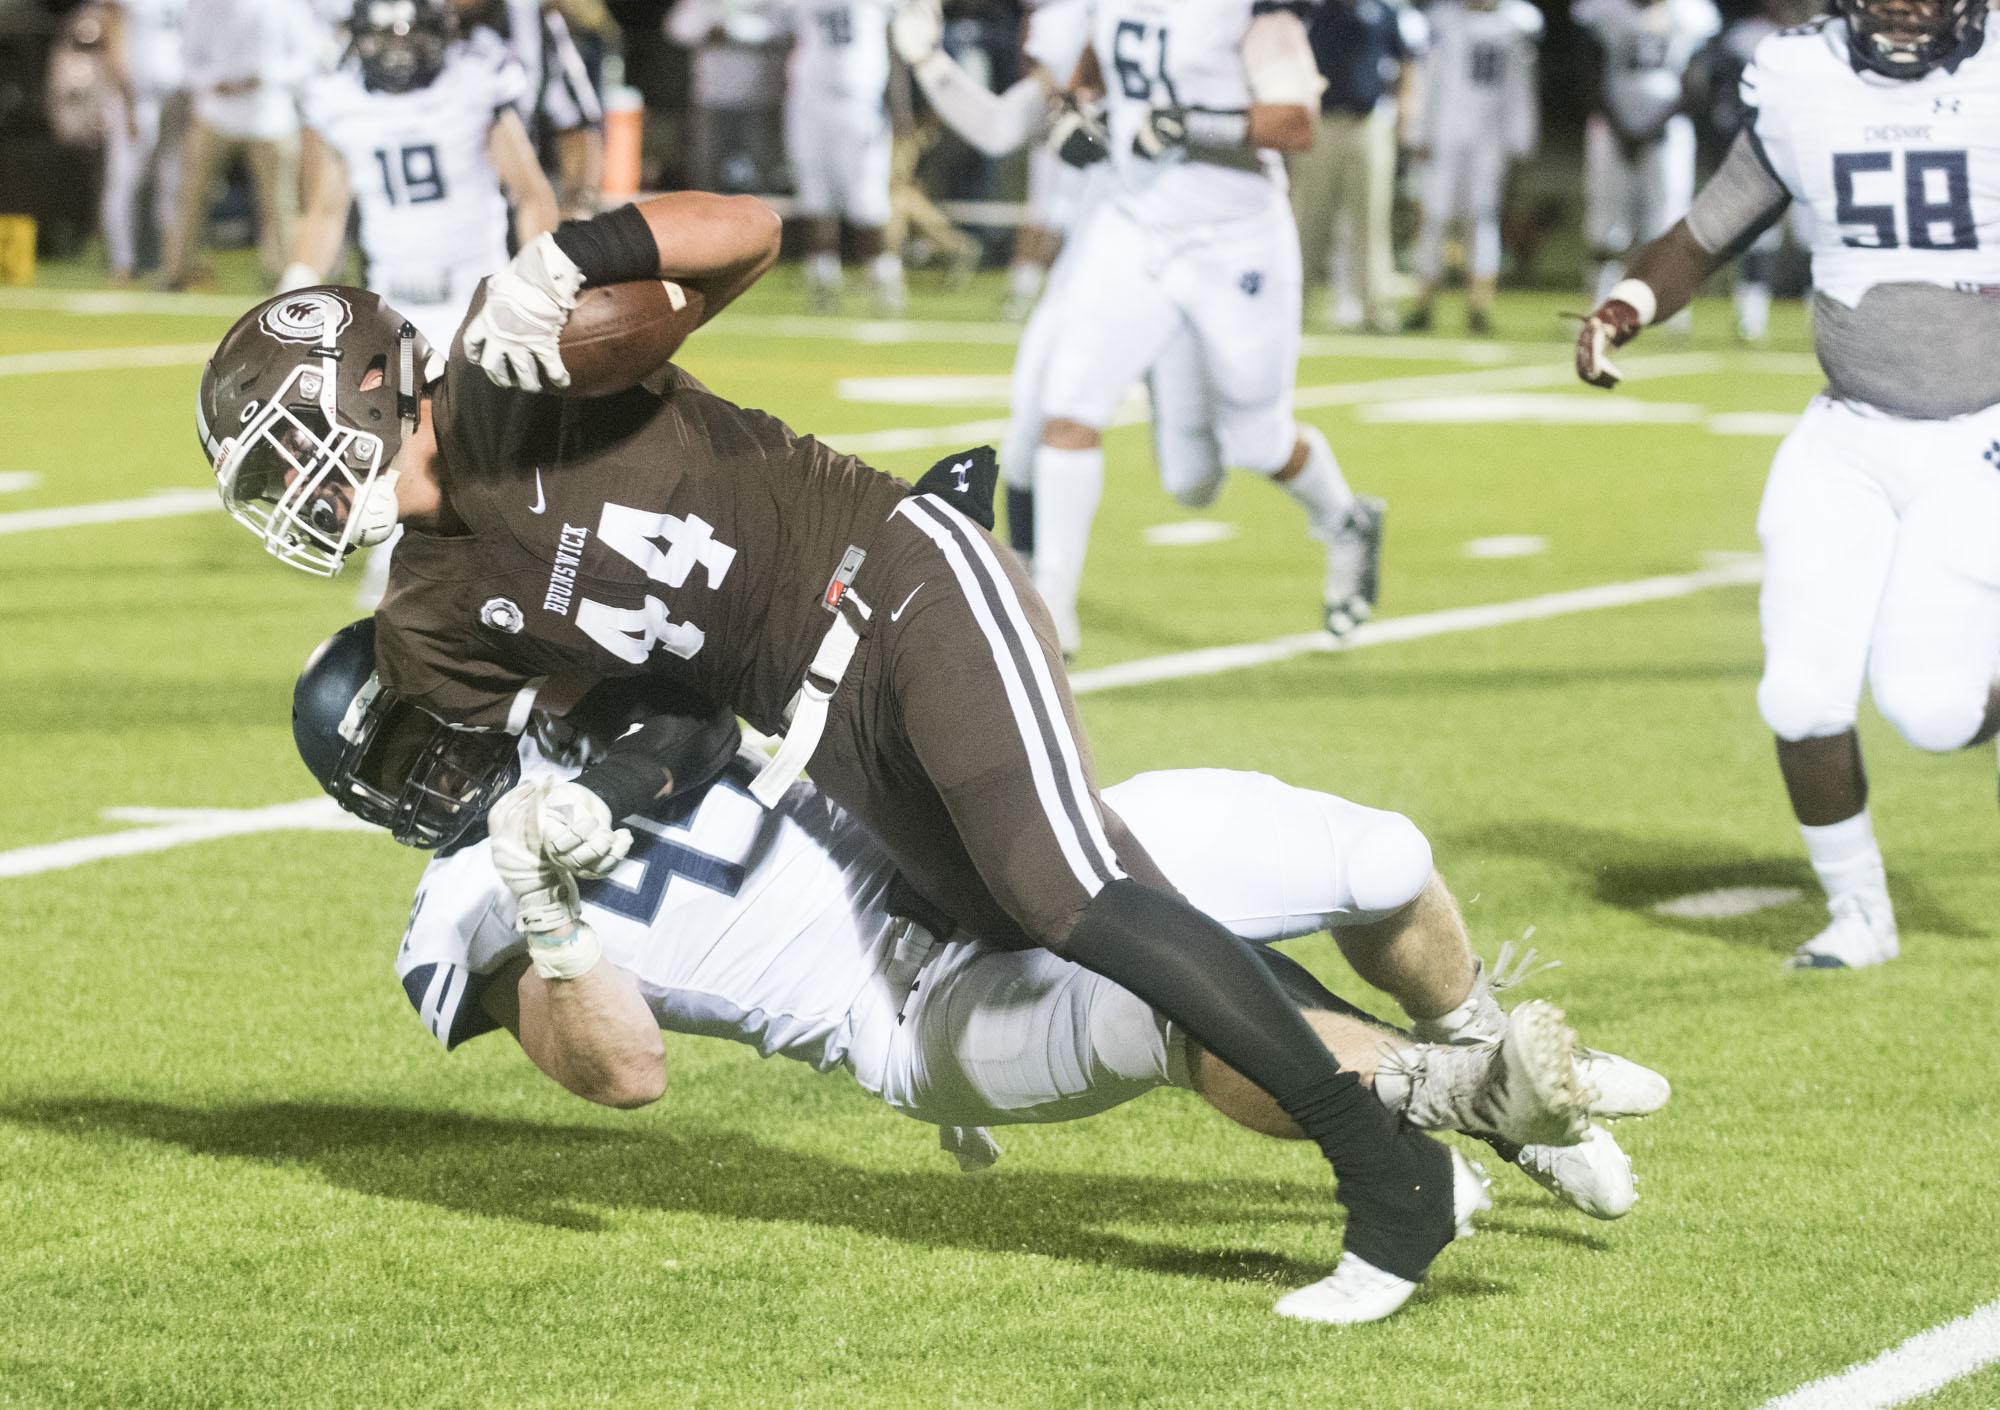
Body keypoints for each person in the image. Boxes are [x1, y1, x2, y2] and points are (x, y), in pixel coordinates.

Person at [203, 191, 1506, 1325]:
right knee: (1036, 914)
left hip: (889, 575)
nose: (296, 500)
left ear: (368, 385)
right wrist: (582, 807)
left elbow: (749, 234)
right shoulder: (424, 619)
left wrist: (577, 253)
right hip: (808, 707)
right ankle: (1453, 1087)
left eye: (290, 457)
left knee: (1072, 891)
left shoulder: (516, 362)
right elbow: (638, 715)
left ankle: (1386, 1180)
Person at [289, 619, 1665, 1235]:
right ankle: (1468, 1102)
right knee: (1164, 1002)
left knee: (1381, 856)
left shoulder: (594, 697)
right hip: (912, 1003)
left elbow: (705, 705)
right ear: (379, 798)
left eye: (446, 708)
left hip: (995, 850)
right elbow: (624, 1068)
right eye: (412, 751)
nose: (456, 749)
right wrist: (547, 904)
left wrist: (608, 781)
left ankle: (1474, 1044)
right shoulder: (456, 911)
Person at [1574, 0, 2000, 969]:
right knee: (1798, 691)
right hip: (1846, 426)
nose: (1903, 10)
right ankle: (1857, 913)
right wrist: (1625, 304)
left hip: (1980, 427)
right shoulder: (1802, 77)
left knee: (1929, 712)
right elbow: (1706, 226)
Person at [980, 0, 1386, 652]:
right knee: (1070, 408)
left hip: (1236, 237)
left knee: (1247, 449)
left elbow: (1296, 122)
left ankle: (1343, 520)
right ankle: (1051, 608)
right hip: (1135, 223)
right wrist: (1071, 114)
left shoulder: (1246, 11)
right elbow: (1093, 77)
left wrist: (1189, 124)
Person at [282, 0, 560, 352]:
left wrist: (538, 282)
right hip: (388, 303)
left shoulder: (471, 81)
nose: (399, 54)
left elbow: (530, 194)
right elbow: (326, 211)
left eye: (411, 39)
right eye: (386, 39)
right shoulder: (342, 100)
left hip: (479, 294)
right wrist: (297, 283)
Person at [1572, 0, 1721, 315]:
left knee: (1668, 216)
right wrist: (1620, 126)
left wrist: (1655, 127)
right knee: (1607, 218)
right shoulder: (1603, 11)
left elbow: (1697, 79)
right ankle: (1602, 299)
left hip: (1669, 129)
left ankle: (1663, 303)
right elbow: (1588, 69)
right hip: (1611, 126)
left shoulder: (1691, 14)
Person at [1402, 0, 1540, 337]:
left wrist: (1520, 137)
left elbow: (1519, 85)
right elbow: (1430, 76)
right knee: (1434, 216)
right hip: (1446, 135)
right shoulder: (1444, 22)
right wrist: (1420, 132)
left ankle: (1478, 304)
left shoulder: (1516, 24)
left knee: (1482, 217)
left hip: (1488, 138)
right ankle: (1425, 300)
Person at [162, 0, 322, 289]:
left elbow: (308, 57)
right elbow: (186, 59)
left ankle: (285, 276)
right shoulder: (205, 7)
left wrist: (265, 78)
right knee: (190, 198)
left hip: (271, 114)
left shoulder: (287, 6)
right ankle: (176, 271)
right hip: (215, 112)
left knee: (280, 203)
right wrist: (216, 81)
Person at [1292, 0, 1425, 335]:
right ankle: (1293, 303)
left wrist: (1406, 108)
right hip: (1319, 122)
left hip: (1367, 122)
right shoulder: (1314, 8)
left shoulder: (1382, 10)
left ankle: (1375, 307)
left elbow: (1407, 59)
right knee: (1308, 221)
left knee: (1371, 222)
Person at [782, 0, 905, 313]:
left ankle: (884, 278)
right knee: (814, 197)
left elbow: (897, 41)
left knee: (869, 201)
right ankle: (822, 281)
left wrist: (900, 105)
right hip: (809, 102)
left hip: (860, 102)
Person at [99, 0, 189, 285]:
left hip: (177, 97)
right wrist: (127, 101)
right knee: (125, 181)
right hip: (137, 96)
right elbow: (113, 40)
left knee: (174, 184)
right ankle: (122, 262)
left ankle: (173, 264)